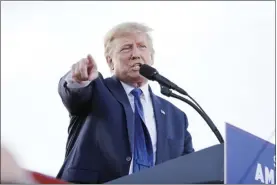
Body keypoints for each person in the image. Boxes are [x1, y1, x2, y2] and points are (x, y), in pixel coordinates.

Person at [57, 22, 194, 184]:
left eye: (142, 47)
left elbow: (190, 169)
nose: (135, 54)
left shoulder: (176, 116)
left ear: (152, 57)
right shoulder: (96, 88)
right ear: (110, 62)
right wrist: (78, 79)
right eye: (126, 48)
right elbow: (74, 94)